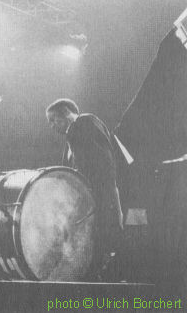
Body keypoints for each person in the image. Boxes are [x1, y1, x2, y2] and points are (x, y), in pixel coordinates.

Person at [45, 98, 123, 281]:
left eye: (53, 120)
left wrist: (91, 196)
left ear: (65, 114)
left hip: (99, 198)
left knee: (101, 248)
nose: (51, 126)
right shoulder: (73, 135)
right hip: (95, 199)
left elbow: (104, 164)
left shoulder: (84, 123)